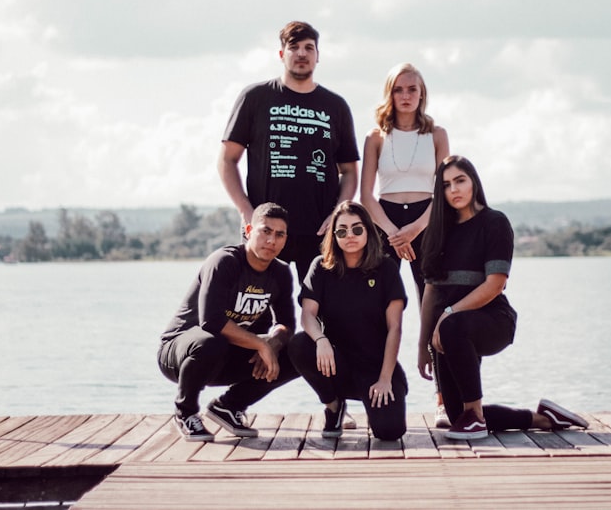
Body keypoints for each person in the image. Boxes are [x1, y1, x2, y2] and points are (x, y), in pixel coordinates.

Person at [417, 156, 589, 440]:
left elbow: (495, 285)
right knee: (453, 413)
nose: (454, 190)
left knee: (451, 325)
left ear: (474, 182)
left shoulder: (494, 223)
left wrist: (448, 314)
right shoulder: (439, 233)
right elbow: (431, 292)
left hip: (493, 321)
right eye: (446, 185)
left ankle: (475, 417)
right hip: (448, 331)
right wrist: (424, 345)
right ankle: (544, 419)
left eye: (460, 180)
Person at [219, 21, 360, 283]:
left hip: (319, 230)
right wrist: (247, 213)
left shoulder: (335, 106)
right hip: (265, 229)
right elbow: (227, 160)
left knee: (321, 313)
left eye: (309, 48)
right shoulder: (255, 97)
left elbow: (350, 171)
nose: (302, 54)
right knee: (255, 309)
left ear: (318, 56)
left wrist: (337, 213)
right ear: (282, 54)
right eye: (294, 47)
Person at [158, 202, 298, 441]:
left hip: (228, 353)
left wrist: (273, 344)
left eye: (279, 234)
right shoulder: (225, 262)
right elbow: (211, 321)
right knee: (211, 342)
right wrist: (261, 345)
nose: (271, 240)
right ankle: (186, 411)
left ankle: (229, 406)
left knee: (297, 351)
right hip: (181, 354)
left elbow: (286, 324)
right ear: (248, 230)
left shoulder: (281, 273)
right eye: (265, 231)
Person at [359, 62, 450, 425]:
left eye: (413, 89)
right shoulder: (376, 137)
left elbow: (445, 190)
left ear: (422, 94)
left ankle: (444, 398)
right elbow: (367, 194)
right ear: (389, 94)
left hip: (428, 222)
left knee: (436, 305)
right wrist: (393, 233)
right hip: (385, 223)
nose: (407, 95)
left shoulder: (438, 134)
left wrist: (413, 229)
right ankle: (373, 392)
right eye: (399, 89)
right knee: (376, 309)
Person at [288, 201, 408, 440]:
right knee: (300, 344)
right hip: (336, 365)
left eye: (356, 228)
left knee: (390, 431)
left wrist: (385, 379)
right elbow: (307, 315)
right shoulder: (321, 267)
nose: (349, 235)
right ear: (334, 235)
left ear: (368, 230)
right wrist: (321, 339)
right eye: (342, 231)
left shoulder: (386, 268)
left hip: (376, 368)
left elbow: (395, 328)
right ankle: (333, 405)